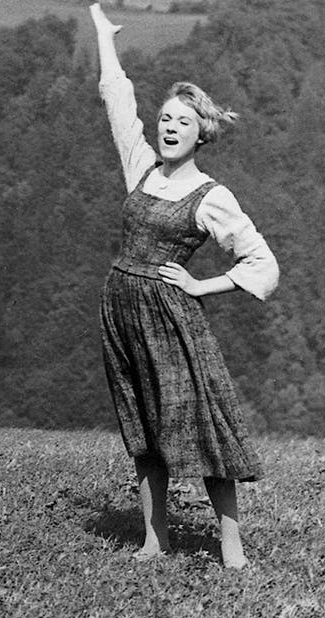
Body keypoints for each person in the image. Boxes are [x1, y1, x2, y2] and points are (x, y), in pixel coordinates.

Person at [90, 3, 279, 569]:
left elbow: (262, 263)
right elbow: (116, 98)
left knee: (197, 421)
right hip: (120, 306)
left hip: (171, 315)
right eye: (165, 119)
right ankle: (155, 538)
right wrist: (105, 37)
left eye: (181, 122)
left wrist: (203, 287)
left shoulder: (212, 196)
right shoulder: (141, 168)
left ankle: (231, 543)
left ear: (201, 134)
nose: (167, 128)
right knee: (142, 422)